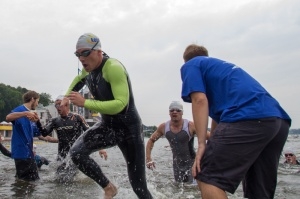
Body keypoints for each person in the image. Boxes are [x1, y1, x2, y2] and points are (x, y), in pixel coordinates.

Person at [180, 44, 291, 199]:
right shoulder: (221, 69)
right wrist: (212, 139)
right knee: (259, 192)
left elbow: (199, 100)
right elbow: (219, 117)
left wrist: (201, 145)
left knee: (206, 175)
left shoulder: (192, 64)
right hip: (277, 121)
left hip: (246, 117)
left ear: (186, 61)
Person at [60, 33, 153, 199]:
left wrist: (85, 103)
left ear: (98, 51)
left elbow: (120, 104)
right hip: (107, 126)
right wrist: (66, 97)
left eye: (85, 53)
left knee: (139, 187)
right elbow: (79, 79)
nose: (81, 58)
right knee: (77, 154)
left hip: (129, 130)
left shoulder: (113, 68)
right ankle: (109, 187)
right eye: (78, 54)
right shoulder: (88, 69)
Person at [36, 95, 107, 181]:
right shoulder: (54, 121)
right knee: (59, 180)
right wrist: (37, 121)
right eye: (56, 105)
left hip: (75, 155)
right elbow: (44, 133)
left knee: (69, 180)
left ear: (66, 104)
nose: (57, 107)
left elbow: (90, 133)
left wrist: (100, 148)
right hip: (61, 156)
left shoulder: (77, 118)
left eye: (59, 104)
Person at [146, 101, 200, 183]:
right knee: (178, 189)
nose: (175, 112)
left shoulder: (190, 126)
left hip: (192, 164)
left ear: (182, 113)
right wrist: (148, 158)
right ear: (169, 113)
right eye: (172, 110)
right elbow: (151, 140)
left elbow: (209, 137)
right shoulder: (164, 127)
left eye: (178, 110)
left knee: (192, 190)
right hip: (177, 166)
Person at [5, 90, 43, 181]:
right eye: (37, 101)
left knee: (32, 182)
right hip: (21, 153)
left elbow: (40, 135)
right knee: (27, 183)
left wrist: (58, 140)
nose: (37, 104)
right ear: (32, 99)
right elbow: (8, 118)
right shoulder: (20, 110)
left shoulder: (31, 115)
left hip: (29, 154)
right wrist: (25, 113)